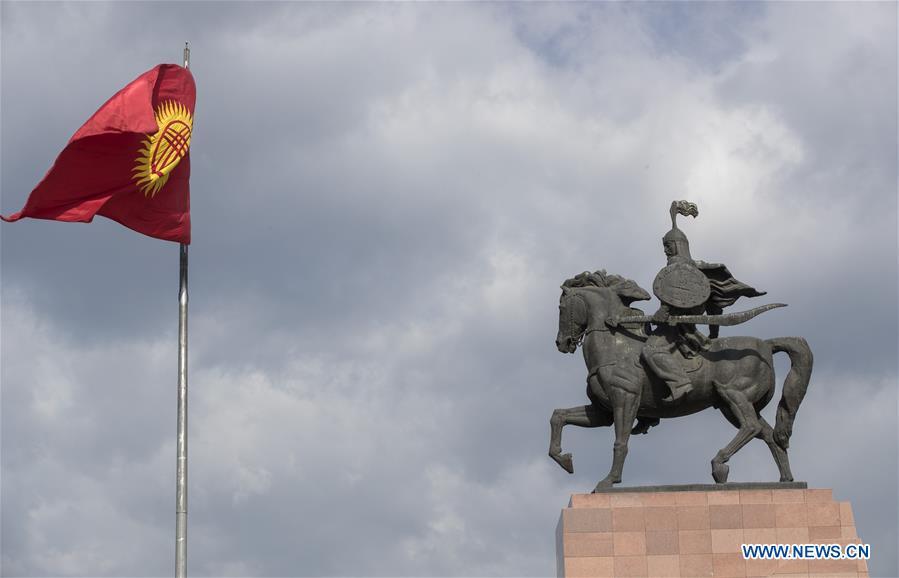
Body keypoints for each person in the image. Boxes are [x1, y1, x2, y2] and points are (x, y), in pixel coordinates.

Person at [642, 201, 765, 402]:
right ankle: (649, 414)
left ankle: (680, 384)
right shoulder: (696, 270)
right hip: (681, 326)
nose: (665, 251)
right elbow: (707, 305)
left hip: (679, 329)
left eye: (667, 246)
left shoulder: (680, 269)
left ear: (674, 245)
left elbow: (676, 298)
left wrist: (663, 311)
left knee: (650, 350)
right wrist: (714, 334)